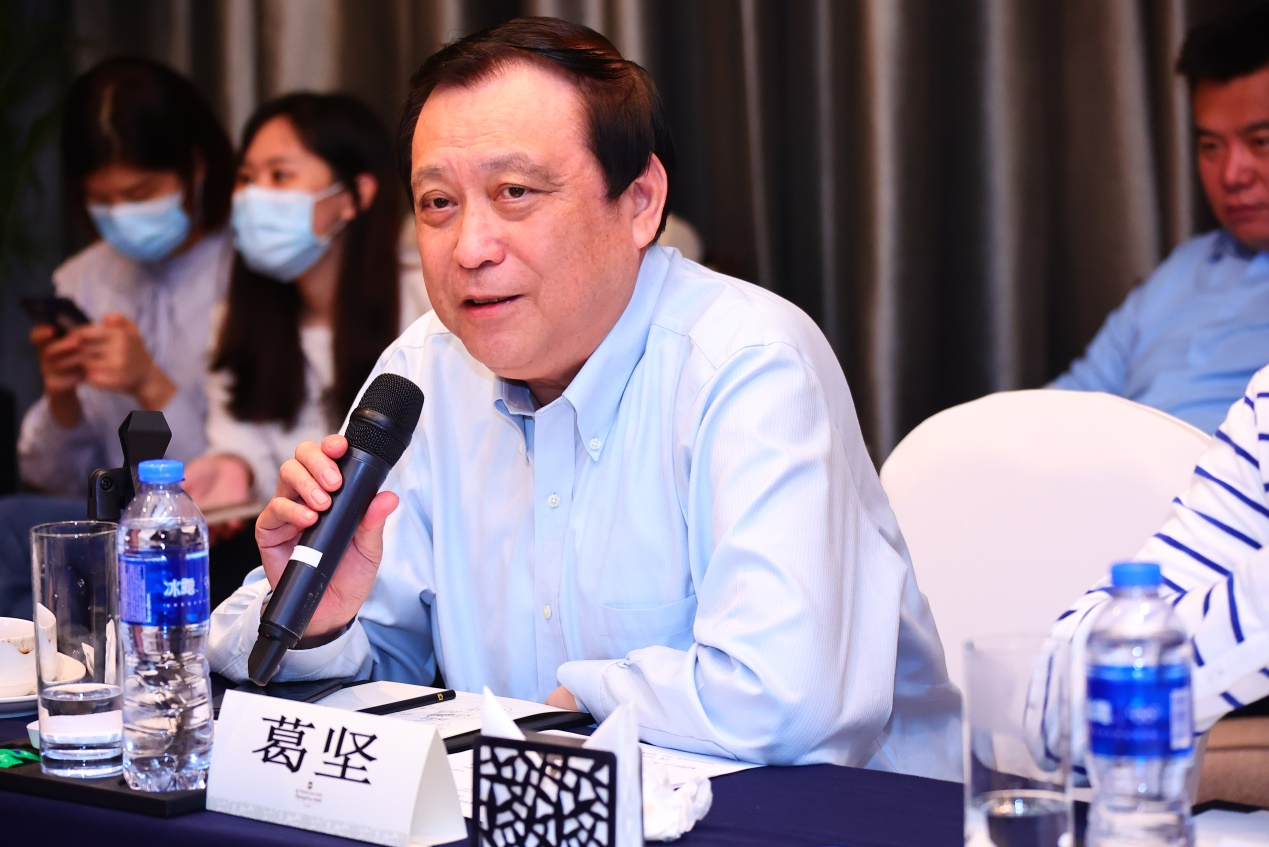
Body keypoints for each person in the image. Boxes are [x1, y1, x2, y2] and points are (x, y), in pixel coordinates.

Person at [208, 17, 960, 778]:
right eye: (437, 203)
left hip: (829, 815)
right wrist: (323, 622)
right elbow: (369, 669)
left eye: (515, 192)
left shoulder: (748, 363)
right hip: (537, 808)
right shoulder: (423, 369)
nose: (470, 248)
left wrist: (585, 699)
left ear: (640, 202)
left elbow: (789, 702)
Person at [0, 58, 233, 617]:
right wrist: (62, 401)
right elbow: (52, 477)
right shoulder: (84, 278)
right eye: (102, 201)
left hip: (210, 533)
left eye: (141, 192)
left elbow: (236, 478)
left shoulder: (248, 275)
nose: (123, 215)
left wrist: (149, 384)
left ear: (195, 166)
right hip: (113, 530)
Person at [183, 92, 429, 517]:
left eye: (280, 175)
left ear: (356, 195)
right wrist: (230, 471)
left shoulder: (425, 305)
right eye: (246, 178)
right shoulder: (235, 323)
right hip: (284, 540)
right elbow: (242, 445)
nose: (254, 195)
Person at [1051, 4, 1269, 434]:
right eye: (1211, 146)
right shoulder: (1180, 269)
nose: (1231, 175)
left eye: (1261, 141)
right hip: (1107, 467)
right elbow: (1068, 400)